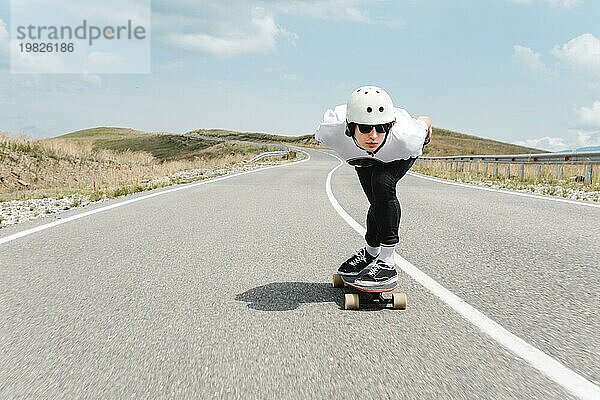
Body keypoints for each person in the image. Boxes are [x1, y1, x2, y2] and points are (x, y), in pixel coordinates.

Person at [315, 85, 431, 288]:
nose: (374, 136)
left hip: (397, 155)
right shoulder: (332, 130)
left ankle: (387, 261)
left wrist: (425, 125)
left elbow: (425, 122)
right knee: (376, 201)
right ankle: (370, 253)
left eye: (381, 128)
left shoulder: (407, 137)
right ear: (350, 127)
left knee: (382, 184)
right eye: (366, 128)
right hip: (362, 157)